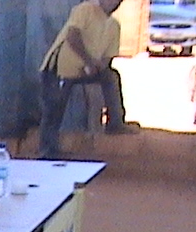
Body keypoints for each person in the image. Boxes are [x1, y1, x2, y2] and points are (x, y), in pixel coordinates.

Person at [37, 0, 136, 159]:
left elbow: (107, 57)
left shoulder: (114, 26)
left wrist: (97, 67)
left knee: (111, 77)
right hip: (59, 69)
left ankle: (115, 122)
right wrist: (89, 61)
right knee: (54, 108)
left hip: (86, 70)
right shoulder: (85, 10)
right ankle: (47, 149)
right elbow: (72, 36)